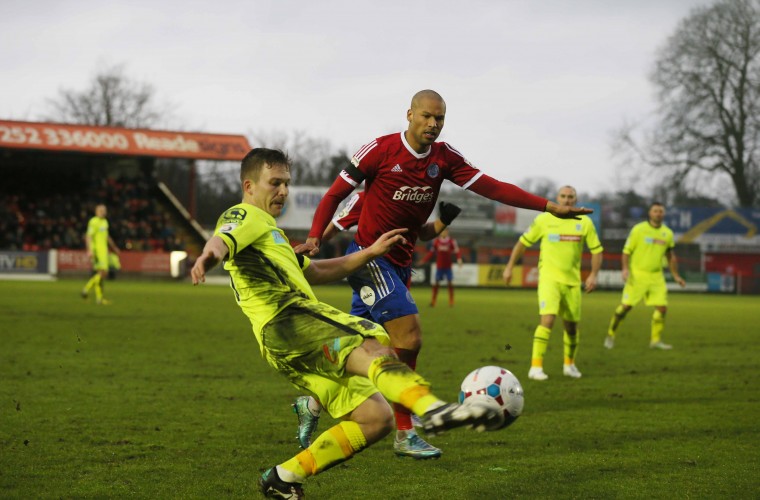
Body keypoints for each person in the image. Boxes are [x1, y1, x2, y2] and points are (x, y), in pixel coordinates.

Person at [294, 89, 592, 459]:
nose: (433, 124)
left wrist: (547, 207)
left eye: (440, 119)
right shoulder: (379, 151)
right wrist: (312, 239)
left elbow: (493, 187)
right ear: (409, 115)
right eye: (427, 117)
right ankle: (405, 431)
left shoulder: (444, 159)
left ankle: (312, 402)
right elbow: (333, 196)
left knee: (357, 349)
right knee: (410, 337)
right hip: (369, 259)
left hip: (400, 266)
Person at [191, 148, 500, 499]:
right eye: (274, 183)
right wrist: (208, 256)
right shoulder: (245, 214)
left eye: (286, 184)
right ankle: (432, 410)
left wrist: (370, 252)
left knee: (375, 418)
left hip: (281, 344)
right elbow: (220, 240)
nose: (283, 192)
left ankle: (284, 477)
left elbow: (320, 270)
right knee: (370, 340)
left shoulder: (272, 237)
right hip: (289, 319)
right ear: (249, 185)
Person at [293, 192, 462, 449]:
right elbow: (337, 224)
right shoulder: (367, 197)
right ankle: (405, 422)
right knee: (403, 342)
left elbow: (423, 233)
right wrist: (311, 246)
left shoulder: (414, 197)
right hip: (372, 269)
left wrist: (443, 221)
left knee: (358, 349)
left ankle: (313, 404)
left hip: (395, 274)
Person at [502, 186, 603, 381]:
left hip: (573, 283)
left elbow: (597, 250)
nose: (566, 200)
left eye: (570, 197)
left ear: (575, 200)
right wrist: (509, 266)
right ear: (557, 198)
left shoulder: (585, 222)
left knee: (571, 328)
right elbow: (522, 242)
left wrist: (593, 275)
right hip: (549, 279)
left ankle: (569, 364)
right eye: (563, 196)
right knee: (547, 321)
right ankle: (536, 367)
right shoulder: (544, 219)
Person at [604, 202, 686, 350]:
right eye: (655, 211)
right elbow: (626, 251)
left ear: (663, 214)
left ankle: (655, 340)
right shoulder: (639, 230)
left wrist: (676, 275)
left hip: (656, 276)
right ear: (650, 213)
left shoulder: (667, 233)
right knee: (625, 307)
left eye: (661, 211)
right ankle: (610, 334)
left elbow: (670, 256)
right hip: (637, 275)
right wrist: (624, 269)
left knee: (662, 308)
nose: (658, 214)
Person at [81, 204, 120, 305]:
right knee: (103, 273)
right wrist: (89, 250)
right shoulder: (93, 221)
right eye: (101, 210)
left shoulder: (105, 222)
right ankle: (86, 289)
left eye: (104, 210)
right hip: (97, 251)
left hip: (104, 251)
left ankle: (99, 299)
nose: (103, 212)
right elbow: (88, 236)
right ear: (96, 211)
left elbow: (106, 236)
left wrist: (114, 247)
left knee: (101, 275)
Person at [419, 227, 463, 307]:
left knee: (450, 283)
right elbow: (431, 253)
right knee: (436, 284)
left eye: (445, 231)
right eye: (443, 231)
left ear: (447, 232)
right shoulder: (436, 241)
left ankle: (451, 300)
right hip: (439, 266)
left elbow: (457, 251)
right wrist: (424, 260)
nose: (444, 233)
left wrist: (459, 259)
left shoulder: (451, 241)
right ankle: (433, 301)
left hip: (448, 267)